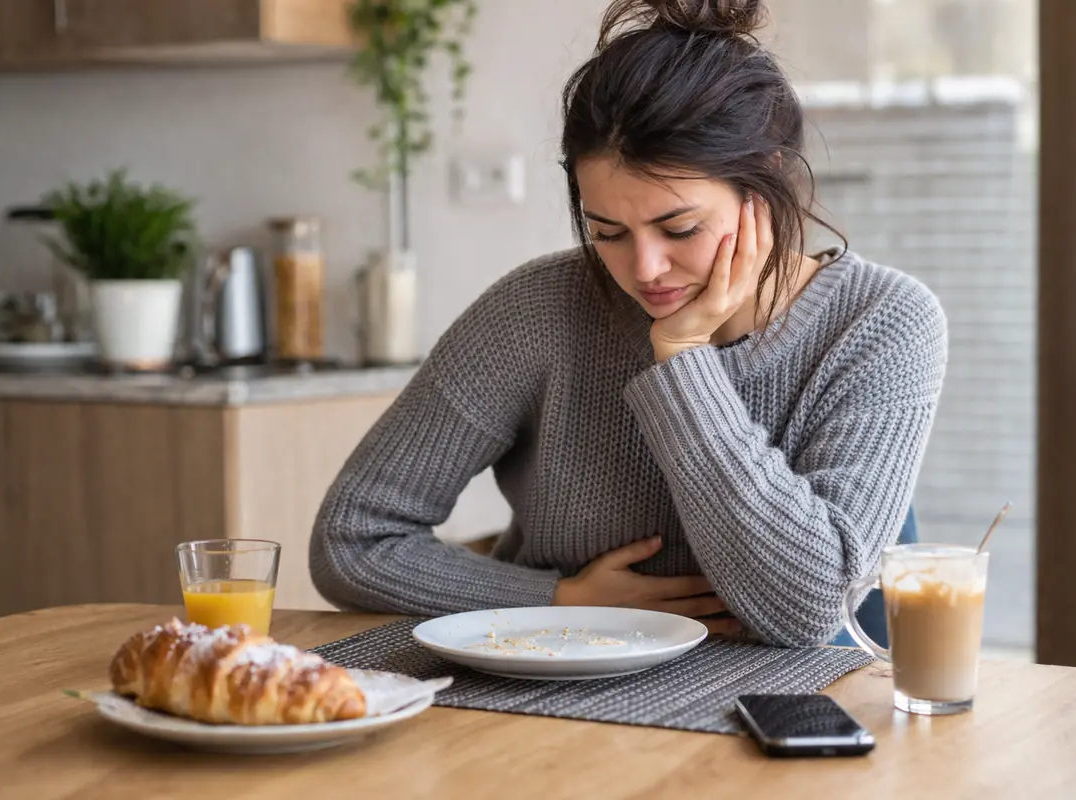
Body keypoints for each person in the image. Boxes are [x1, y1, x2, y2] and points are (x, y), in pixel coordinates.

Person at [309, 0, 947, 647]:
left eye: (679, 228)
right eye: (607, 232)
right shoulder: (537, 309)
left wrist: (682, 356)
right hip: (543, 713)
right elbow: (352, 537)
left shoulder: (882, 322)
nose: (645, 269)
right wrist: (554, 601)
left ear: (767, 183)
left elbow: (809, 608)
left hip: (773, 723)